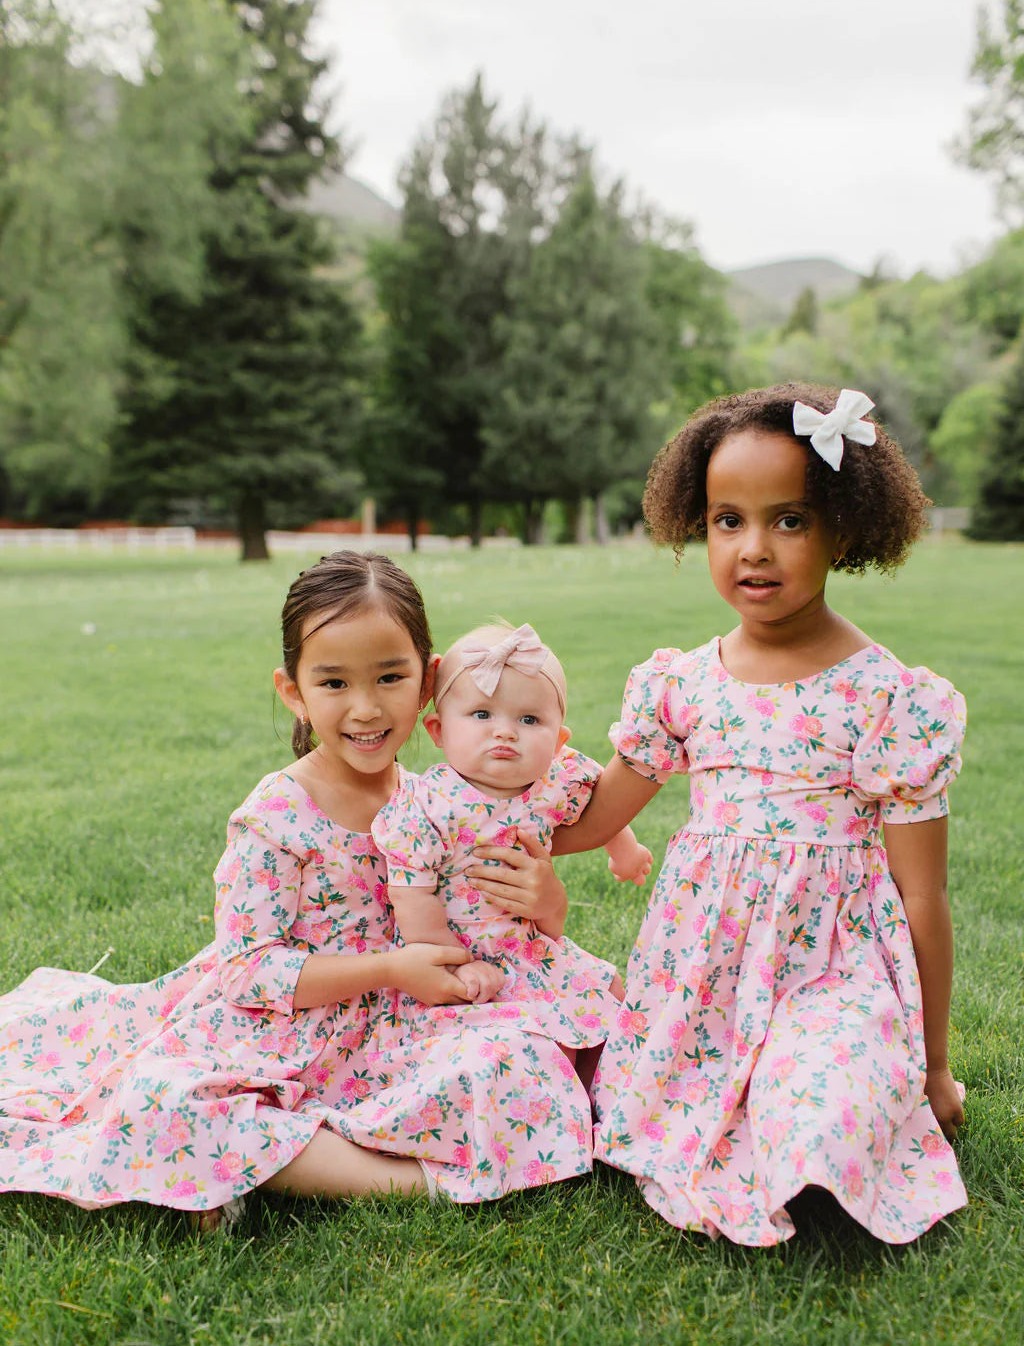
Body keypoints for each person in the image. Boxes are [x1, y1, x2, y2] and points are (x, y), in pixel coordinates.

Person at [0, 553, 596, 1228]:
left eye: (390, 678)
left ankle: (294, 1155)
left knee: (527, 1064)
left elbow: (505, 924)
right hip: (291, 1024)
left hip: (413, 1020)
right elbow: (247, 969)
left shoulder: (445, 797)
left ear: (428, 682)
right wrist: (390, 968)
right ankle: (388, 1178)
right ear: (294, 691)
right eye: (334, 682)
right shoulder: (276, 817)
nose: (366, 708)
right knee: (174, 1102)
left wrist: (547, 901)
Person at [553, 384, 968, 1246]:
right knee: (654, 1109)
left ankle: (819, 1144)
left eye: (790, 520)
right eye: (725, 520)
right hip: (703, 978)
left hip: (832, 972)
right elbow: (594, 818)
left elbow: (921, 896)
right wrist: (488, 822)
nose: (754, 549)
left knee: (824, 1109)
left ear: (844, 528)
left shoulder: (890, 698)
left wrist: (933, 1069)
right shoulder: (683, 683)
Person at [371, 623, 652, 1075]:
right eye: (482, 715)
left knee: (613, 994)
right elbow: (412, 895)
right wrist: (454, 965)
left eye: (528, 720)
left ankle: (610, 1095)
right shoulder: (427, 805)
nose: (505, 732)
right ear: (439, 730)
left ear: (559, 740)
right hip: (464, 954)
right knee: (532, 1045)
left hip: (530, 949)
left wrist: (626, 851)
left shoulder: (551, 783)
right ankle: (561, 1101)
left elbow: (596, 795)